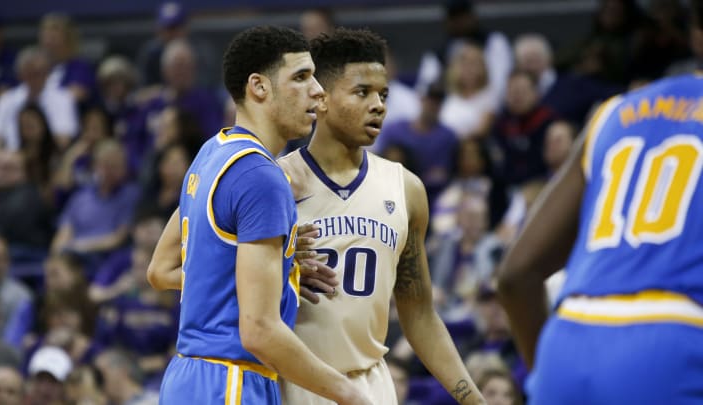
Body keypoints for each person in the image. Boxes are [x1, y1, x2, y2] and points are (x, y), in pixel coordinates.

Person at [146, 25, 372, 405]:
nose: (318, 90)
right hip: (231, 383)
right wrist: (352, 395)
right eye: (301, 77)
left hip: (186, 380)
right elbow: (260, 331)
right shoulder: (262, 177)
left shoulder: (212, 154)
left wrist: (267, 278)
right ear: (259, 86)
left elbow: (160, 271)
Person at [496, 5, 703, 401]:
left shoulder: (614, 113)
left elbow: (514, 276)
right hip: (676, 342)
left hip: (569, 341)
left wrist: (551, 379)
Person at [277, 28, 483, 405]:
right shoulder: (274, 180)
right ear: (320, 99)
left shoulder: (406, 188)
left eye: (383, 94)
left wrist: (472, 398)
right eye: (362, 92)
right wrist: (281, 270)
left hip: (372, 385)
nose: (379, 105)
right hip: (292, 385)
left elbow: (419, 316)